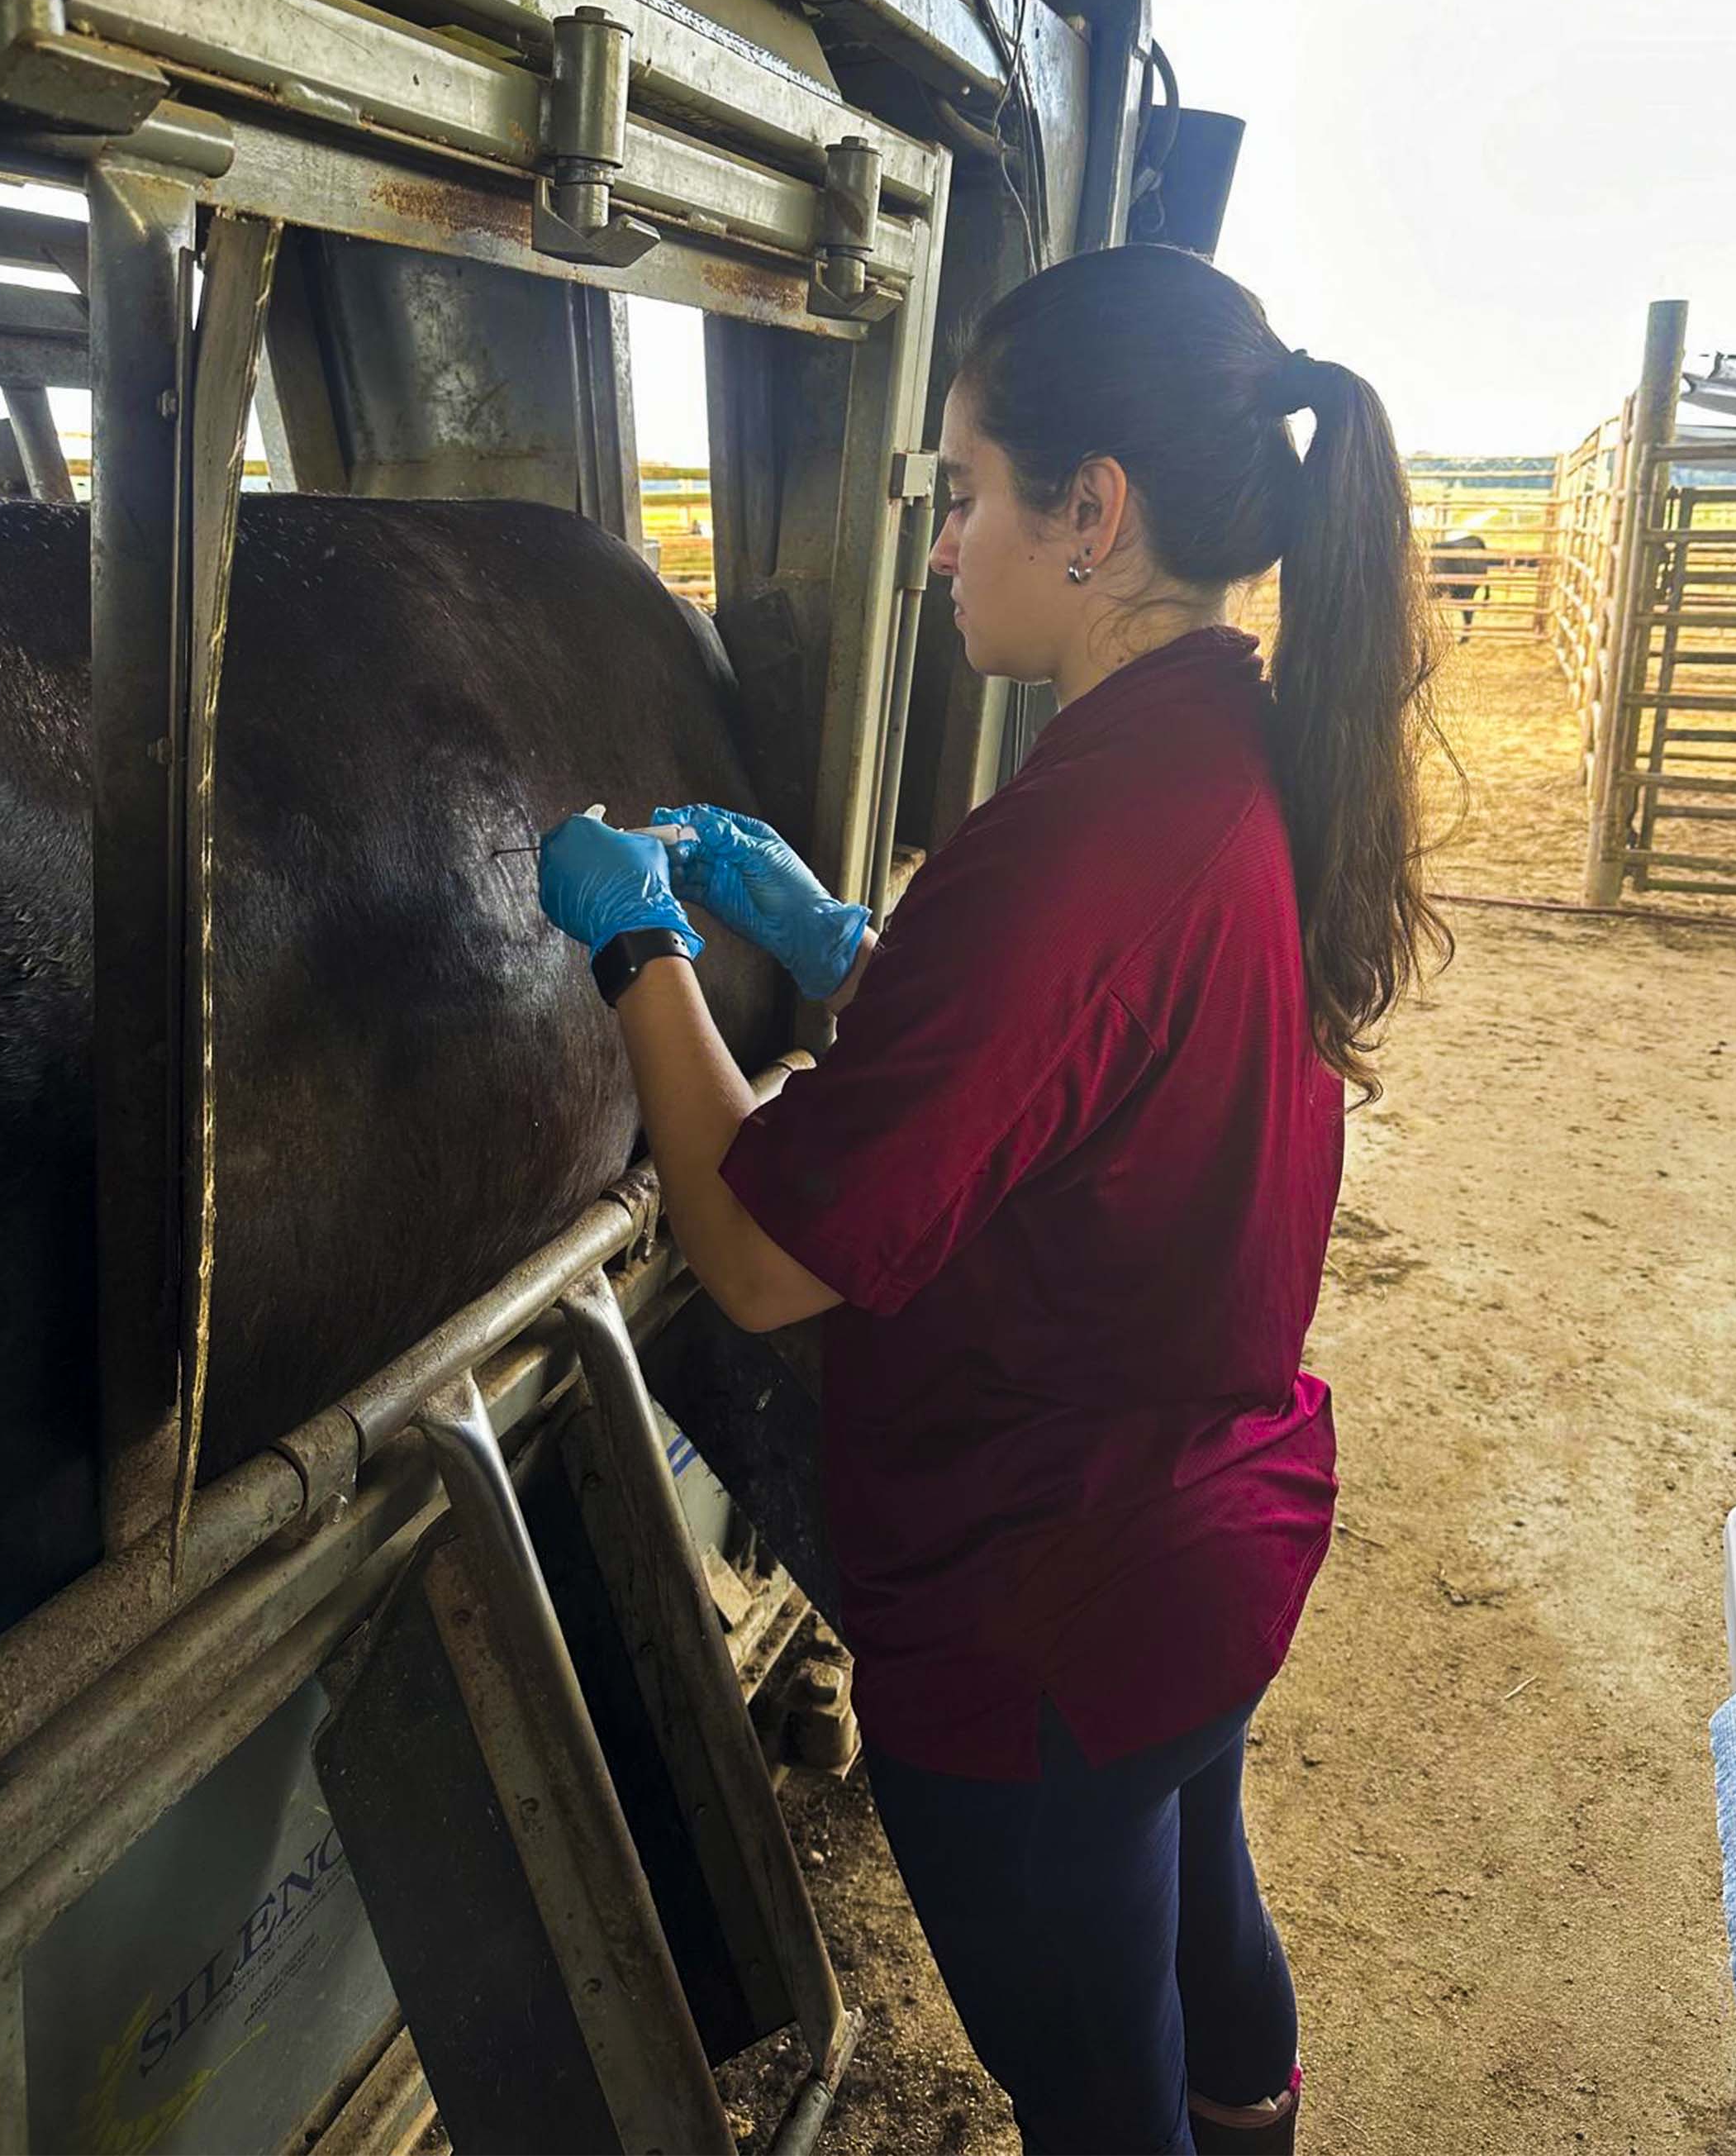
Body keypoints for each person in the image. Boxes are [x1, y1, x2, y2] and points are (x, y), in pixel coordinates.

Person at [530, 243, 1453, 2155]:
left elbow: (762, 1254)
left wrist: (639, 952)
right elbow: (1071, 1047)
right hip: (1204, 1541)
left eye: (963, 497)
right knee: (1205, 1922)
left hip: (1047, 1602)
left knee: (1095, 2089)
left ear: (1089, 514)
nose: (942, 547)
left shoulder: (1070, 839)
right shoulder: (1226, 759)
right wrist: (853, 945)